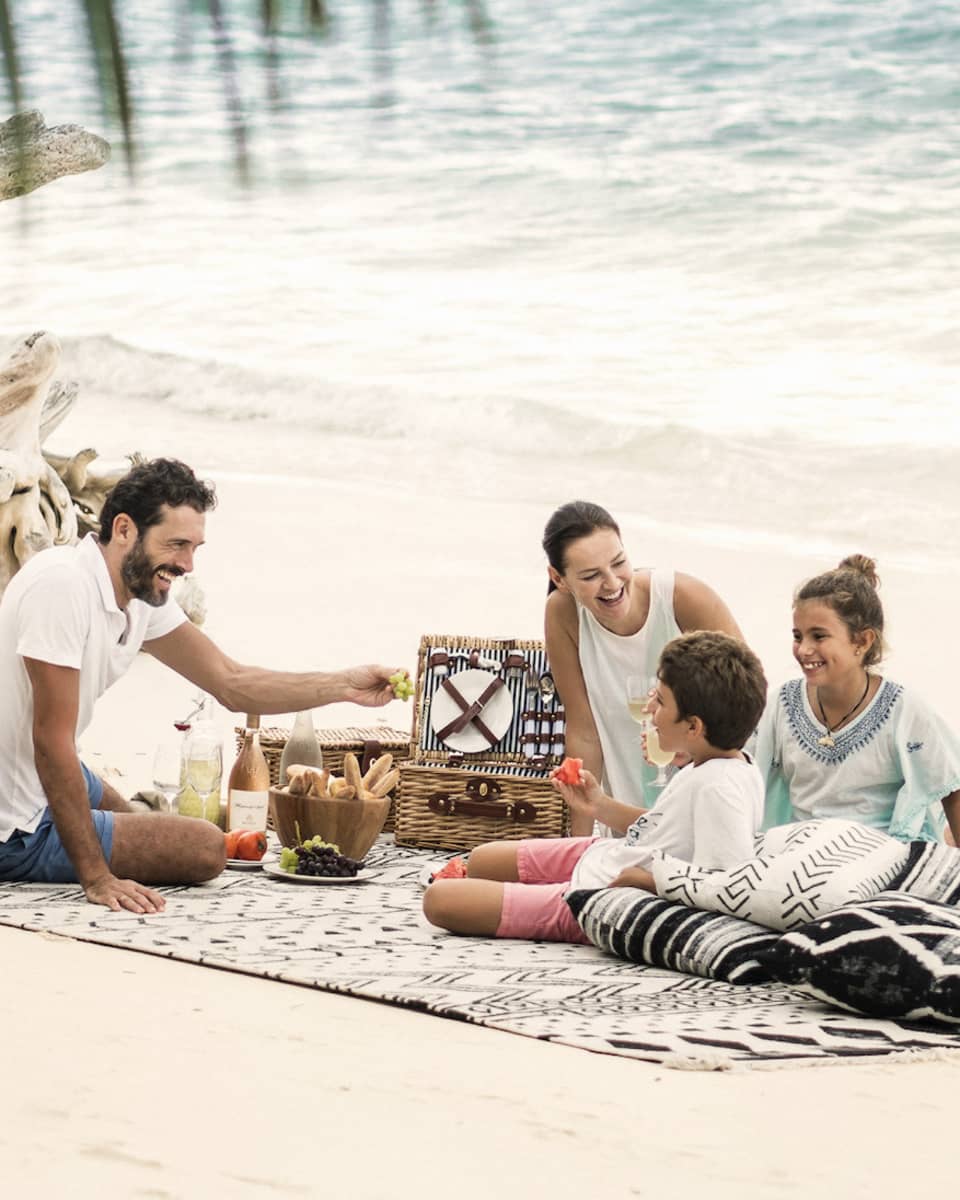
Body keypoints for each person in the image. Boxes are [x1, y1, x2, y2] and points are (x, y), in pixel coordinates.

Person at [0, 458, 402, 914]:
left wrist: (343, 685)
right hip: (12, 823)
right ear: (125, 529)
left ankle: (103, 832)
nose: (187, 564)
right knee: (205, 848)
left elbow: (233, 684)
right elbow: (49, 742)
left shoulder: (138, 593)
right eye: (176, 544)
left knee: (136, 820)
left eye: (195, 547)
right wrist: (97, 876)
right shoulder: (62, 587)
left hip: (32, 774)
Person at [423, 631, 767, 943]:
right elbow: (669, 829)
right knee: (483, 859)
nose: (649, 709)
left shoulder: (720, 787)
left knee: (439, 900)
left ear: (693, 727)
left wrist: (650, 882)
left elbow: (725, 883)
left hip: (599, 897)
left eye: (660, 702)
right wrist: (599, 805)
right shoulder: (712, 762)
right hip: (607, 855)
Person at [542, 500, 743, 833]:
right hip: (624, 824)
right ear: (558, 578)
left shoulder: (682, 598)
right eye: (591, 576)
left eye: (619, 563)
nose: (612, 583)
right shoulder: (562, 613)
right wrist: (576, 848)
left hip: (704, 814)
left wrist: (693, 748)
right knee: (485, 863)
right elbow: (583, 733)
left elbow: (747, 699)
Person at [756, 554, 960, 845]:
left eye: (819, 636)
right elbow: (743, 769)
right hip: (797, 851)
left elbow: (952, 787)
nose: (803, 650)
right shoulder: (782, 704)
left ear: (863, 641)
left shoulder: (903, 709)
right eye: (798, 636)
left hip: (880, 857)